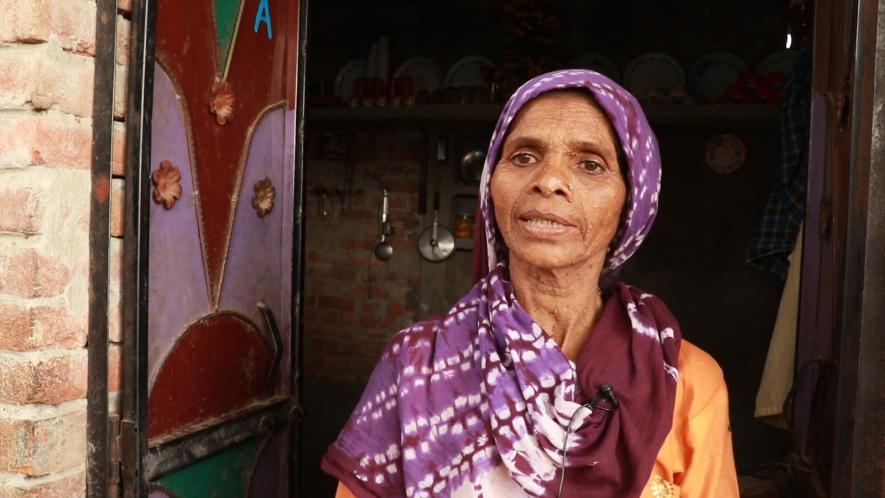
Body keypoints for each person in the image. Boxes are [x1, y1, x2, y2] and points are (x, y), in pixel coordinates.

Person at [321, 69, 739, 498]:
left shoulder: (684, 380)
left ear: (631, 204)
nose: (549, 180)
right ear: (491, 186)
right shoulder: (415, 365)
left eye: (590, 164)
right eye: (523, 156)